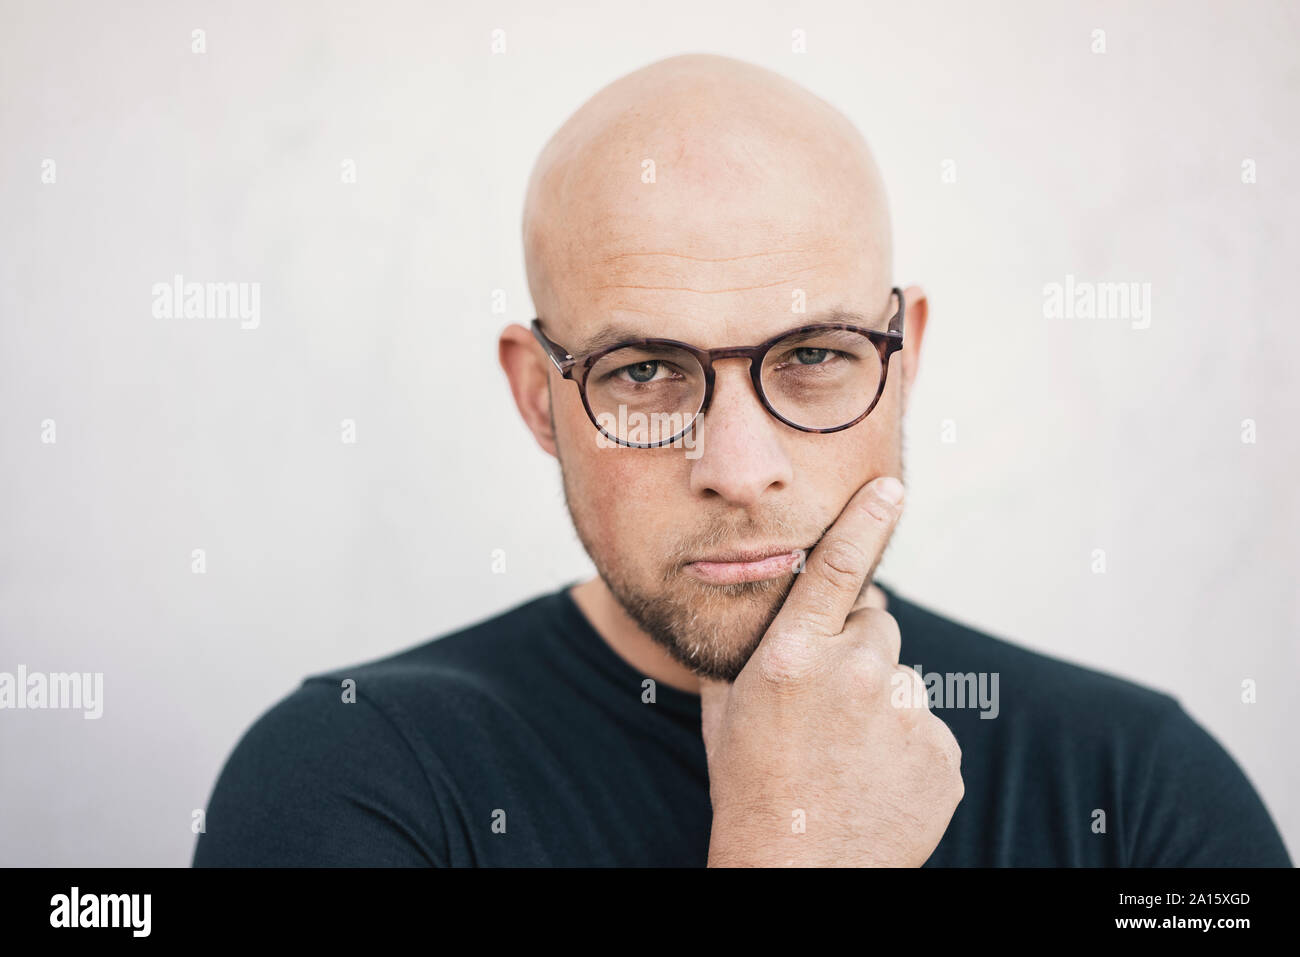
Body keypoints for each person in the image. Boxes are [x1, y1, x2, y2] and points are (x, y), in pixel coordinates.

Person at [194, 54, 1290, 867]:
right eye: (643, 372)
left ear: (904, 363)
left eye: (813, 355)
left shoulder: (1135, 786)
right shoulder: (352, 780)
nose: (739, 465)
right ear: (539, 397)